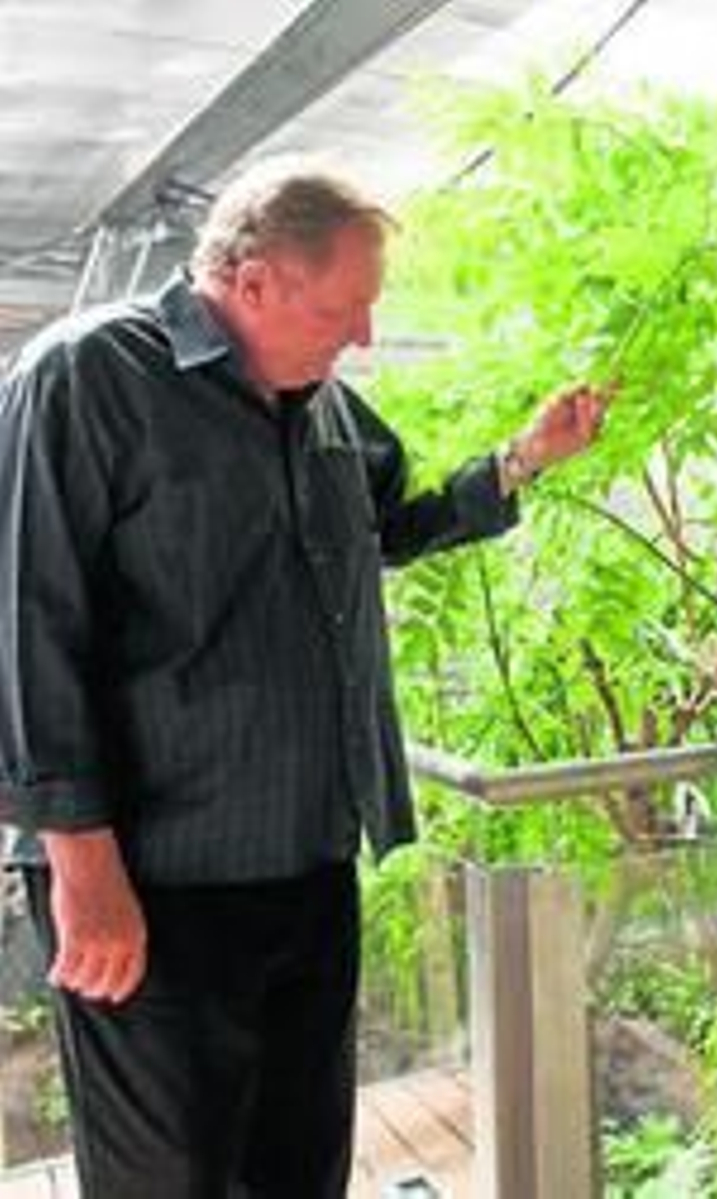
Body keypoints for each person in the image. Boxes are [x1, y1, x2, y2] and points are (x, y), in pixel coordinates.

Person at [0, 158, 608, 1196]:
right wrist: (86, 871)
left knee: (299, 1164)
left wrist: (520, 462)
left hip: (309, 862)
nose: (362, 334)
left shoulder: (321, 399)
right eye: (345, 307)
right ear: (250, 280)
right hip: (151, 885)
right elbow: (26, 624)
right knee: (169, 1178)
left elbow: (395, 520)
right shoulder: (86, 378)